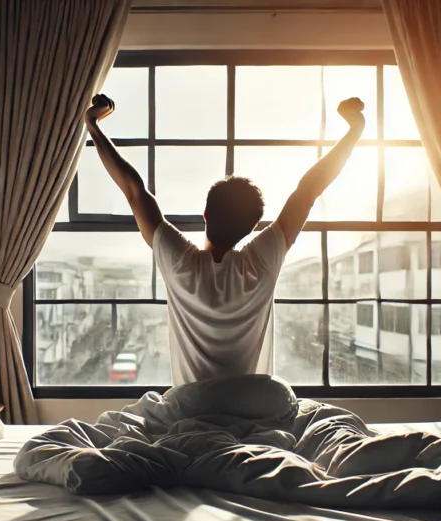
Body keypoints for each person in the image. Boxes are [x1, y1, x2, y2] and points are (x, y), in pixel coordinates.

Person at [84, 93, 365, 386]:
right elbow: (308, 191)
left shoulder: (181, 263)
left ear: (205, 213)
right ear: (252, 227)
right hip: (250, 413)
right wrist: (354, 130)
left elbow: (134, 190)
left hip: (190, 411)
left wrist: (94, 126)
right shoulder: (262, 262)